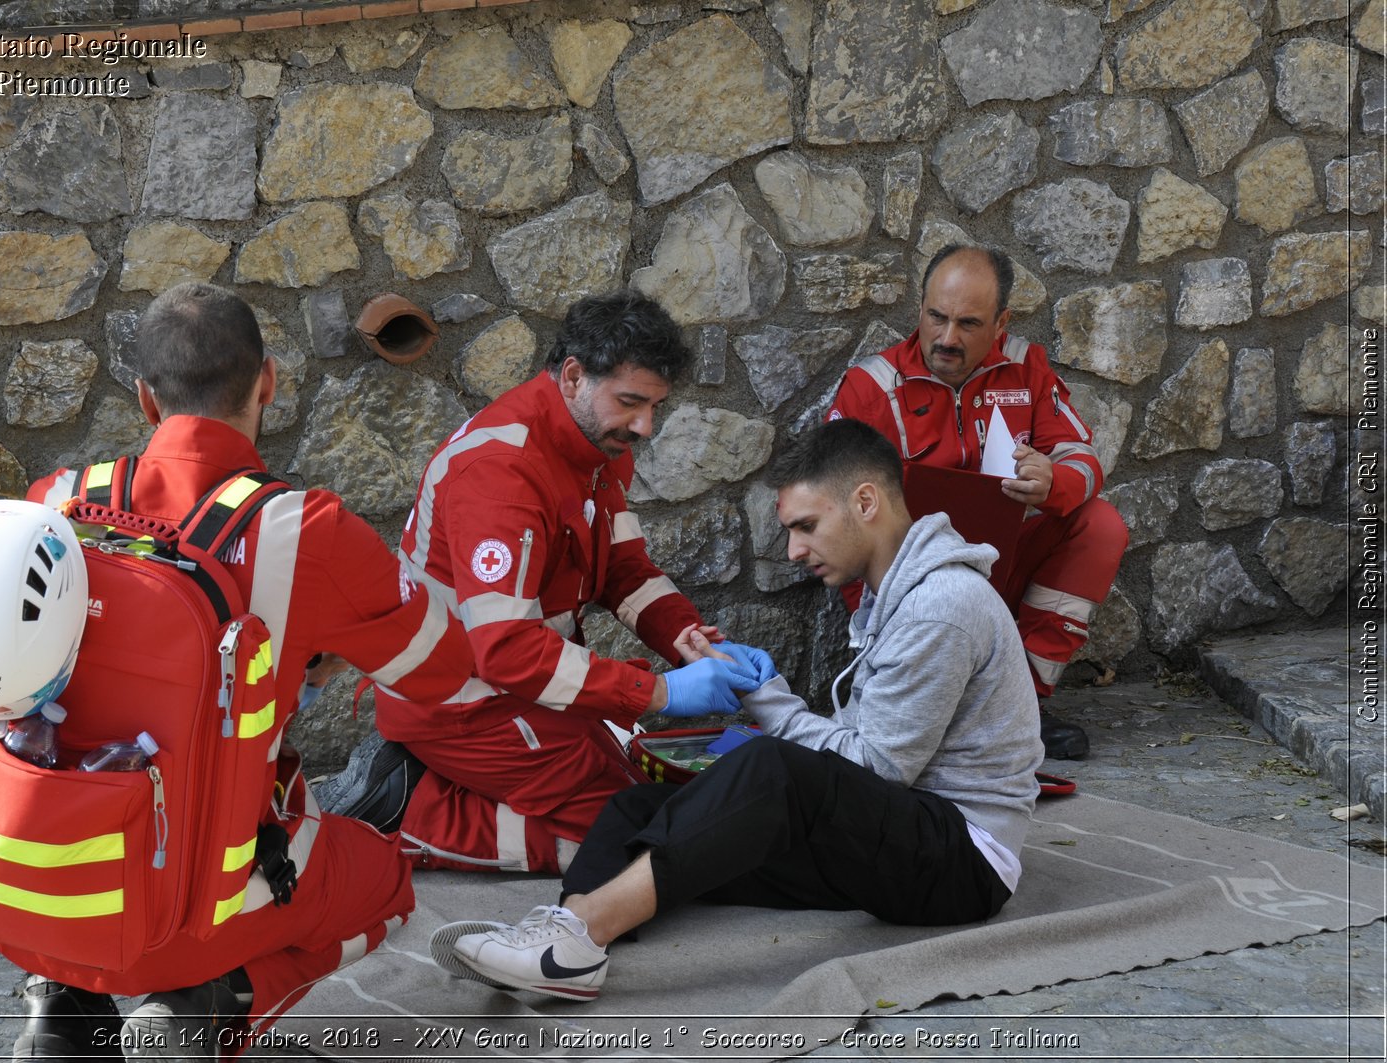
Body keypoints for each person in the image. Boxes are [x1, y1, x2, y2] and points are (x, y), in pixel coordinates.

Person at [9, 282, 473, 1058]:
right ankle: (213, 999)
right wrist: (321, 649)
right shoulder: (306, 532)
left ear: (146, 400)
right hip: (199, 891)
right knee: (384, 878)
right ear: (268, 382)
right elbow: (443, 666)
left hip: (43, 877)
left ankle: (65, 1003)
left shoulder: (54, 502)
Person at [428, 418, 1042, 1000]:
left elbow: (875, 770)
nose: (795, 549)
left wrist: (764, 699)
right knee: (637, 805)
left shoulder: (941, 605)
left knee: (769, 771)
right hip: (900, 829)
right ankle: (563, 942)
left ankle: (584, 930)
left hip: (962, 859)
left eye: (805, 525)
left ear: (864, 503)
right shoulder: (895, 595)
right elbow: (859, 764)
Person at [319, 290, 748, 875]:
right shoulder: (502, 473)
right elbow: (507, 650)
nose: (646, 426)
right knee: (639, 833)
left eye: (655, 406)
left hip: (514, 685)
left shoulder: (593, 441)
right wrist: (662, 694)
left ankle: (436, 788)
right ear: (573, 376)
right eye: (631, 402)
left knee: (652, 798)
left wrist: (691, 641)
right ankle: (408, 811)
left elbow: (624, 572)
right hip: (456, 701)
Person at [825, 244, 1129, 759]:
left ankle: (1021, 706)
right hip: (911, 589)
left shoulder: (1025, 368)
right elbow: (835, 516)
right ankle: (921, 701)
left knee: (1101, 525)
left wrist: (1053, 479)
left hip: (1003, 567)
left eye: (968, 324)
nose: (946, 339)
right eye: (936, 317)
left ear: (1001, 322)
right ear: (919, 308)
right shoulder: (869, 388)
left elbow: (1083, 456)